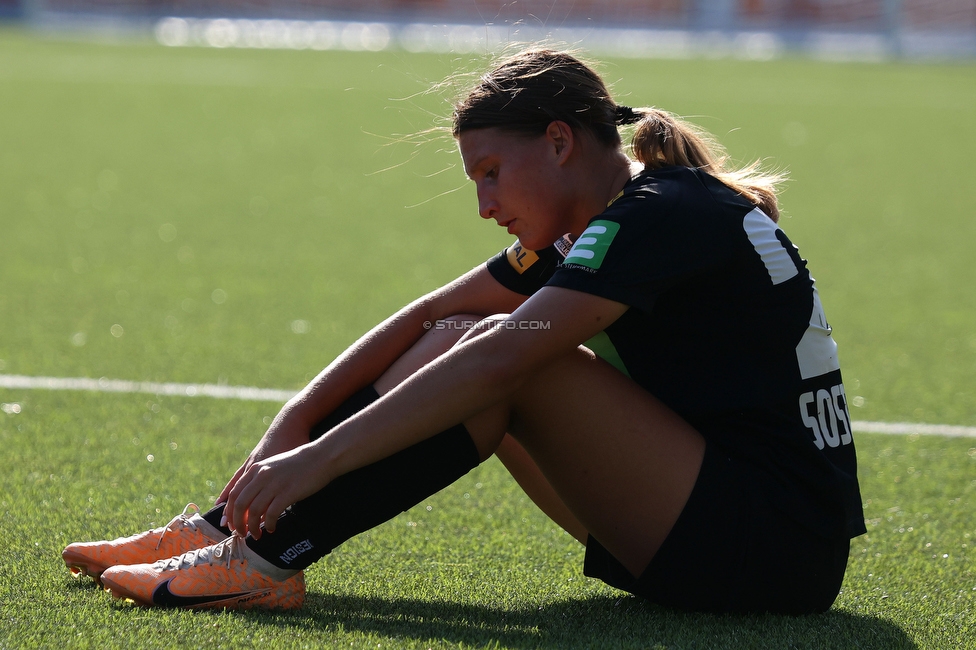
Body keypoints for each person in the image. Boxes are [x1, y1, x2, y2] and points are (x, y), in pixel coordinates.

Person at [63, 48, 865, 615]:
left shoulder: (662, 214)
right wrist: (294, 428)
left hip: (770, 555)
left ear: (558, 143)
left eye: (490, 173)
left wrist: (317, 462)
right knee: (466, 330)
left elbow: (507, 353)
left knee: (512, 357)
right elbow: (424, 317)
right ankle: (230, 529)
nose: (484, 204)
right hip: (719, 527)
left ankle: (267, 558)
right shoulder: (620, 215)